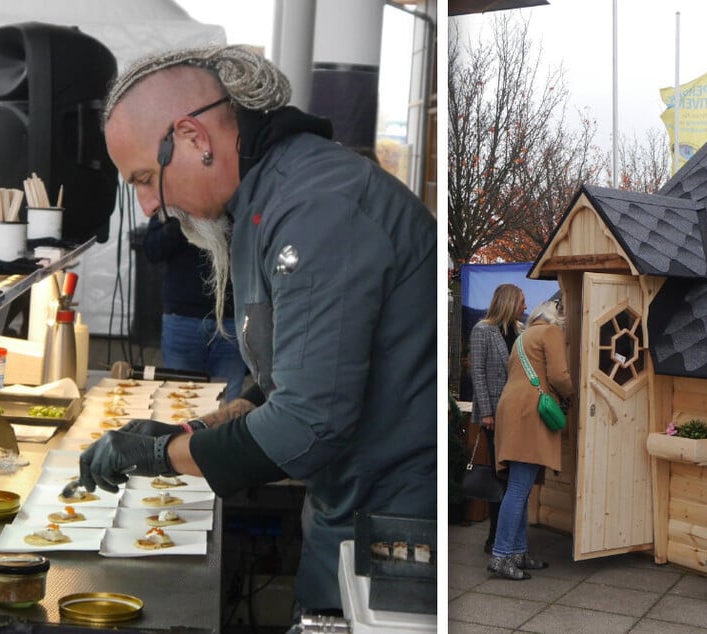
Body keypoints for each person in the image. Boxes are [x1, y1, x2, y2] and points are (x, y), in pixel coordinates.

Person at [75, 45, 436, 614]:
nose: (147, 206)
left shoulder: (316, 205)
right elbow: (288, 376)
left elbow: (308, 423)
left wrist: (164, 454)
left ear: (194, 138)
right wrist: (193, 426)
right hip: (348, 502)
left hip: (394, 518)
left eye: (145, 179)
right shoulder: (267, 197)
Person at [490, 298, 574, 580]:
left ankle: (518, 552)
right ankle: (501, 556)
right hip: (529, 413)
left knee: (521, 488)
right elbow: (559, 376)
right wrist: (573, 395)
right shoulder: (551, 332)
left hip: (513, 409)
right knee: (518, 488)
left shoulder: (525, 336)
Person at [142, 212, 247, 401]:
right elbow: (152, 250)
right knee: (179, 402)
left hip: (232, 317)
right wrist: (178, 220)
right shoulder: (172, 201)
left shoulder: (236, 197)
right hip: (183, 318)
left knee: (226, 406)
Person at [469, 284, 525, 553]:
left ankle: (507, 537)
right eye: (521, 301)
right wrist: (487, 412)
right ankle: (494, 537)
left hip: (516, 414)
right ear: (510, 302)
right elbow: (477, 373)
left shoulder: (521, 331)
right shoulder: (483, 331)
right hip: (494, 415)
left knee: (514, 477)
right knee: (499, 476)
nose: (524, 306)